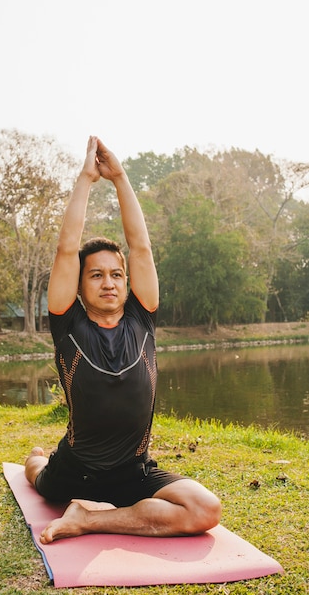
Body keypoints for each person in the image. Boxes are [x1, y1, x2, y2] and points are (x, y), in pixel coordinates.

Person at [25, 136, 221, 544]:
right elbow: (65, 251)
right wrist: (85, 178)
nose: (109, 282)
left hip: (135, 470)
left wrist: (121, 178)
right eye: (96, 275)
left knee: (206, 509)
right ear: (79, 286)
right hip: (76, 469)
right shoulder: (69, 325)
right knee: (37, 475)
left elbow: (141, 248)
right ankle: (37, 459)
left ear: (127, 282)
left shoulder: (142, 317)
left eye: (116, 274)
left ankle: (89, 519)